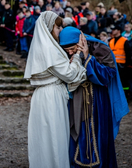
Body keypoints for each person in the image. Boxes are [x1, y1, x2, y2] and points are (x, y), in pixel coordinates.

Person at [59, 26, 129, 168]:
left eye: (72, 48)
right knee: (78, 133)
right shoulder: (66, 53)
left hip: (97, 100)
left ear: (81, 41)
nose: (70, 52)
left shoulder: (100, 48)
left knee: (96, 134)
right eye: (67, 51)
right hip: (77, 99)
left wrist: (87, 57)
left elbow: (108, 75)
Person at [24, 11, 87, 168]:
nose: (60, 30)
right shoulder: (49, 49)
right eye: (58, 27)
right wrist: (78, 55)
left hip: (45, 95)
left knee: (47, 138)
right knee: (54, 137)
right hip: (50, 97)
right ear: (48, 27)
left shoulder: (47, 47)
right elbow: (70, 74)